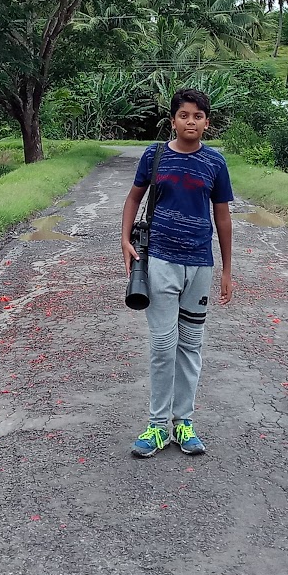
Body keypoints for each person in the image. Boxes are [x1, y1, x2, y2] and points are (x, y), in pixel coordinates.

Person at [119, 87, 235, 457]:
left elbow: (223, 218)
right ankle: (156, 427)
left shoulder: (215, 163)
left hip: (200, 264)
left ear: (207, 123)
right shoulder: (154, 157)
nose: (191, 122)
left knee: (191, 346)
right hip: (161, 262)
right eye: (184, 115)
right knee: (162, 345)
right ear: (173, 120)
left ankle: (183, 423)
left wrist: (227, 270)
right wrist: (124, 240)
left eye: (198, 117)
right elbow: (134, 197)